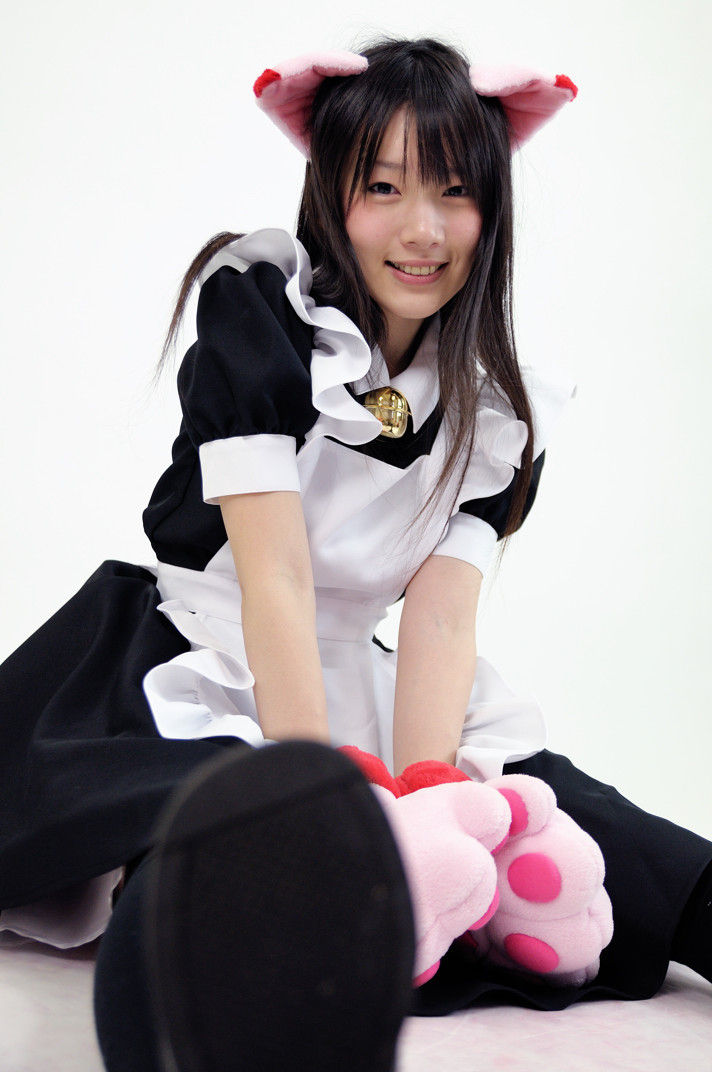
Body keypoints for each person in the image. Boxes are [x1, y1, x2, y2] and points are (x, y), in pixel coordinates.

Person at [0, 35, 710, 1072]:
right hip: (209, 657)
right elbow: (277, 577)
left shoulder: (499, 403)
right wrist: (321, 797)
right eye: (383, 186)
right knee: (223, 843)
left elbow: (441, 617)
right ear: (331, 191)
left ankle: (444, 895)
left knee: (608, 833)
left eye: (456, 190)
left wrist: (425, 789)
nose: (422, 229)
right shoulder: (263, 314)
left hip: (365, 676)